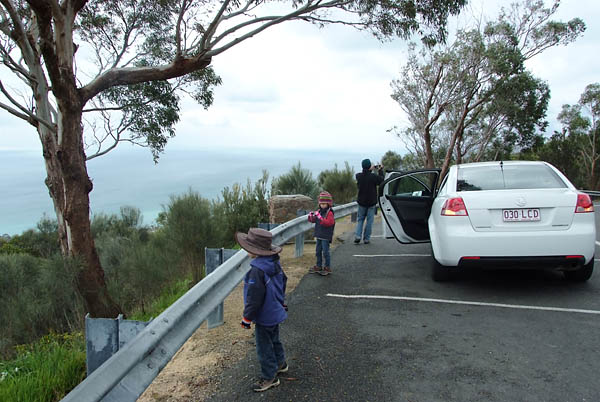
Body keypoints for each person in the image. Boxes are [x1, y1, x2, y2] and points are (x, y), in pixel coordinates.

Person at [235, 228, 289, 392]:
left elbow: (254, 298)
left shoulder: (256, 271)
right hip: (275, 311)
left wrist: (247, 318)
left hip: (264, 315)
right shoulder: (274, 263)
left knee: (264, 346)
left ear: (254, 251)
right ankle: (281, 363)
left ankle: (269, 377)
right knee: (274, 339)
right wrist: (280, 301)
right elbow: (283, 281)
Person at [354, 158, 384, 244]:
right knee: (369, 221)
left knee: (360, 220)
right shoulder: (373, 177)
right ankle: (366, 238)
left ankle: (358, 236)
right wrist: (380, 170)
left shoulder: (358, 176)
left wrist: (369, 169)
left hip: (361, 202)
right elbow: (381, 180)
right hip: (371, 202)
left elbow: (364, 174)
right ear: (369, 166)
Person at [307, 191, 336, 275]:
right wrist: (311, 217)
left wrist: (320, 218)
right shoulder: (319, 211)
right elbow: (314, 220)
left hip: (326, 236)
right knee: (318, 251)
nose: (323, 205)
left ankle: (327, 267)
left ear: (328, 204)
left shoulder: (329, 213)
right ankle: (318, 266)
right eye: (321, 203)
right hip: (319, 235)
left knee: (325, 252)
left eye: (324, 204)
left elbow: (329, 223)